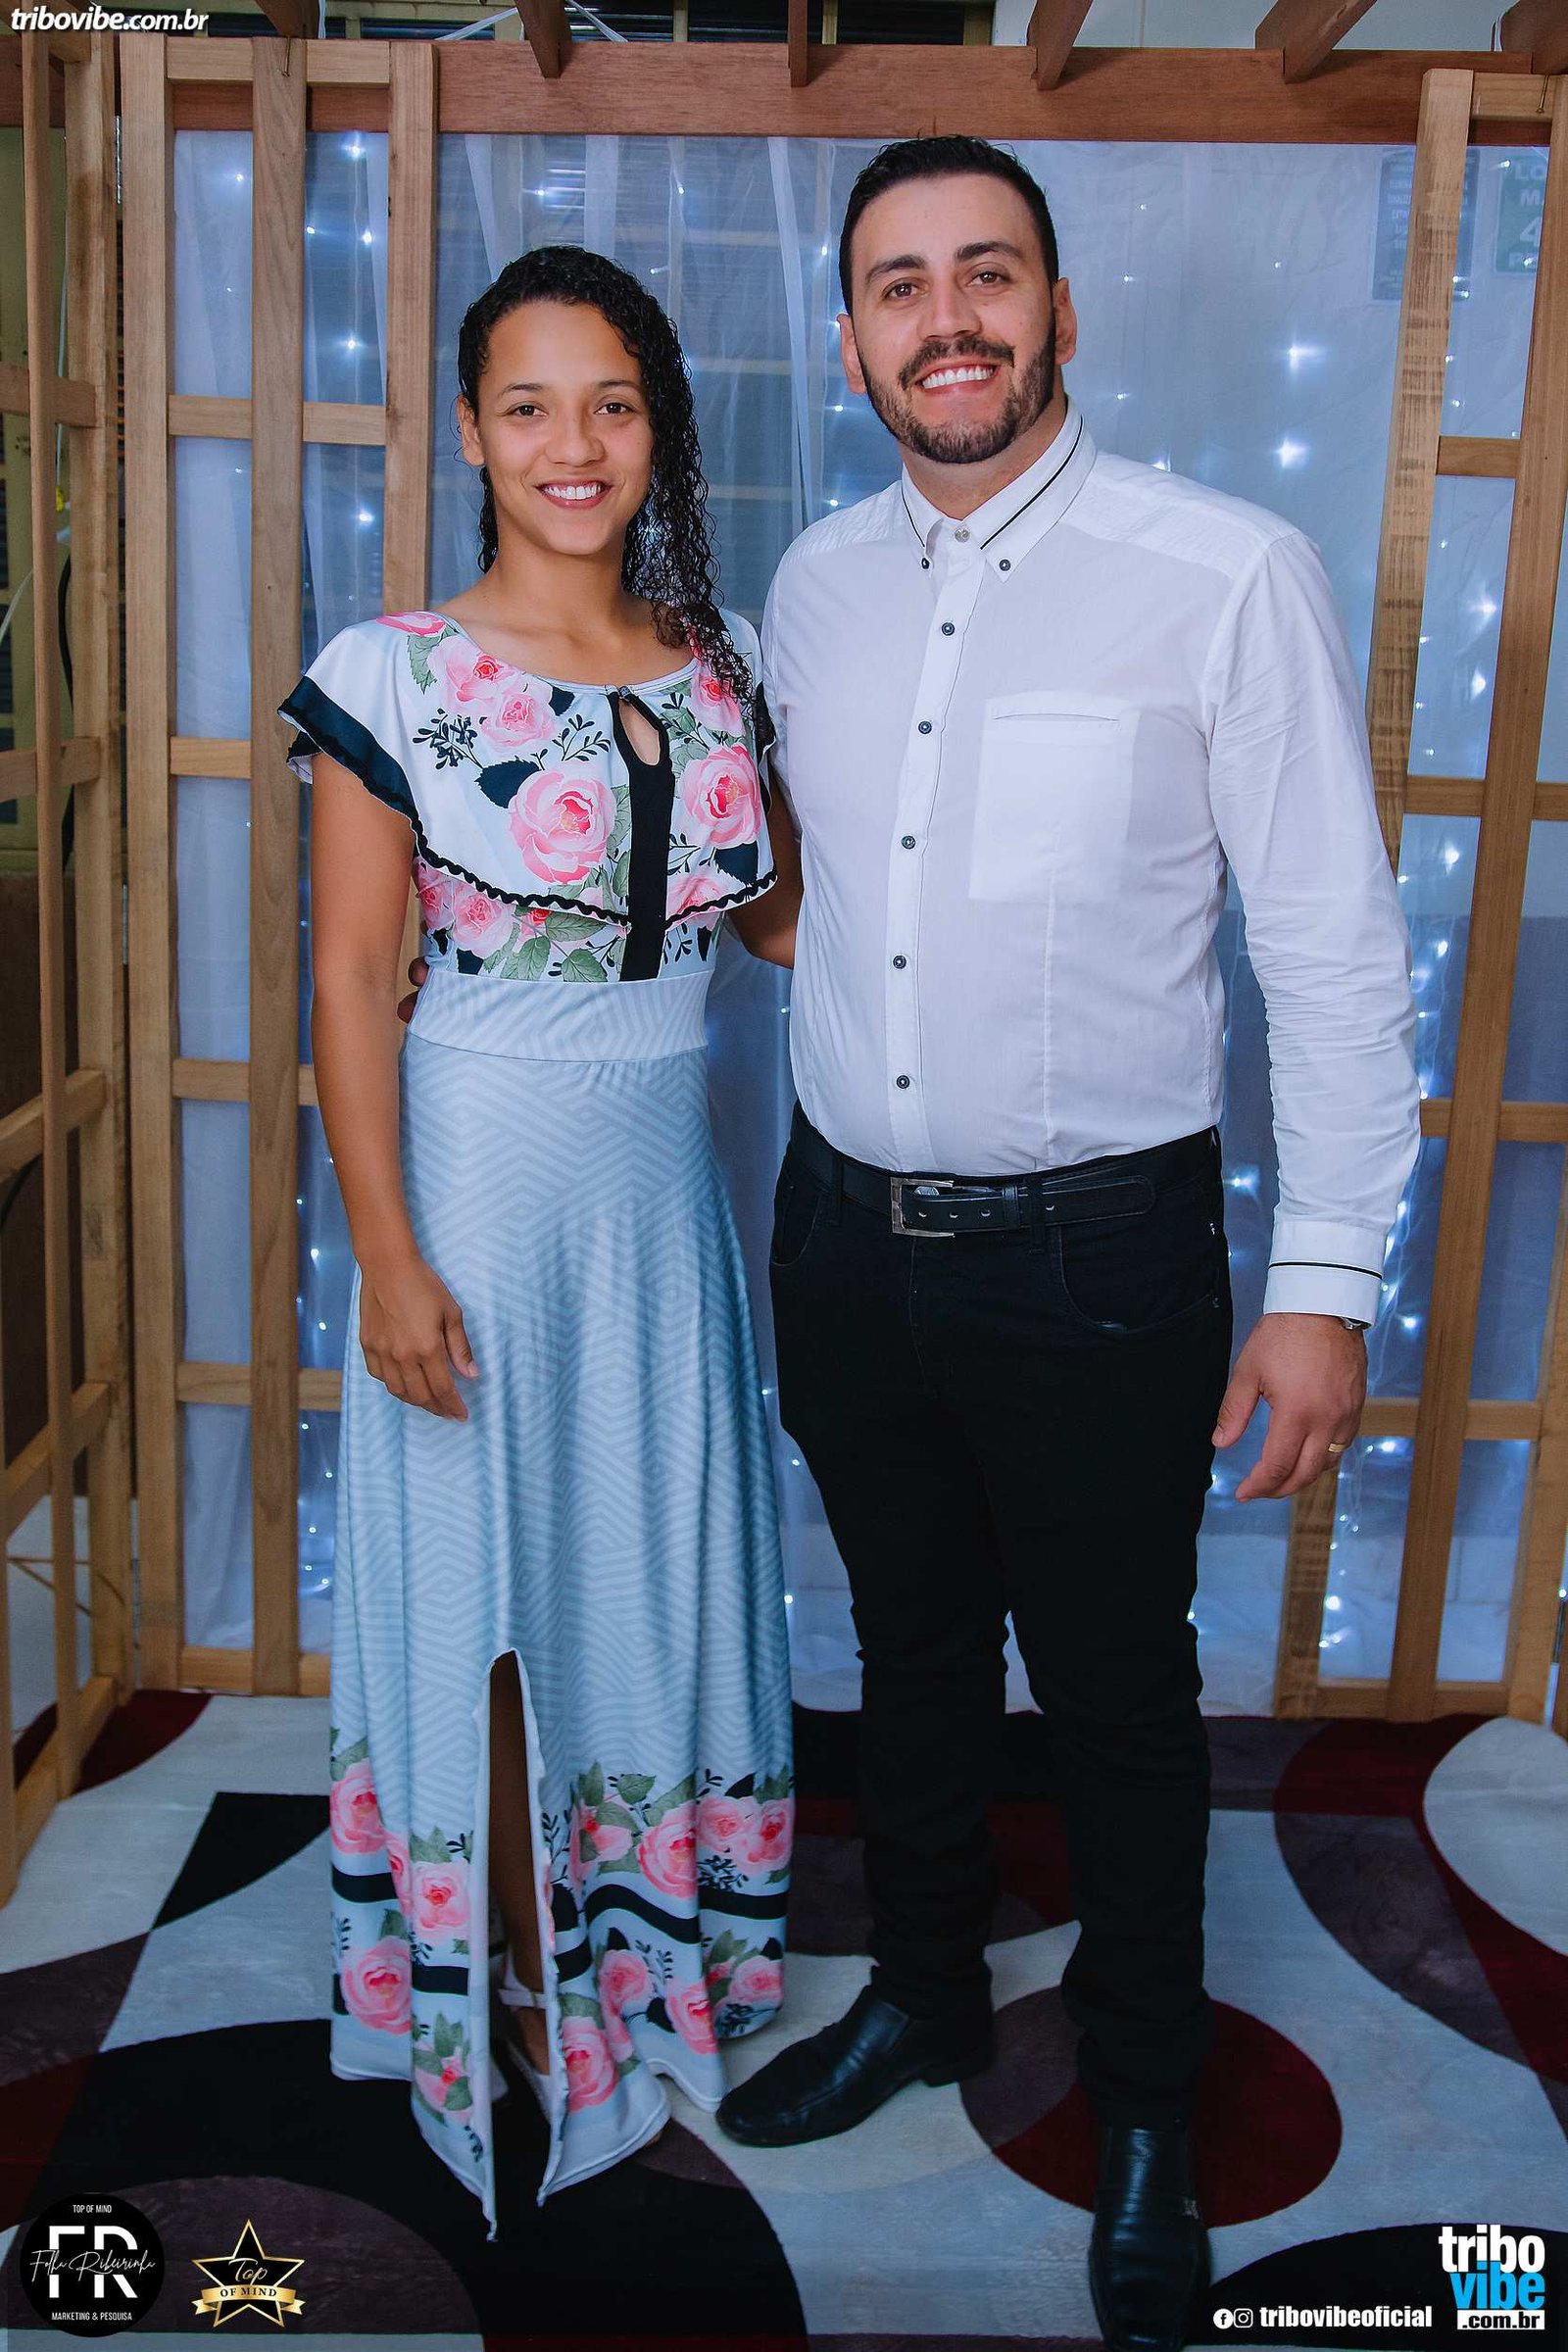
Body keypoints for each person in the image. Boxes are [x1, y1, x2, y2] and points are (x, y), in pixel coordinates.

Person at [710, 136, 1421, 2352]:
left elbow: (1328, 947)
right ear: (851, 340)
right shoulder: (812, 587)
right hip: (842, 1235)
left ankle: (1139, 2105)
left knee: (1114, 1695)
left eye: (987, 274)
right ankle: (925, 1993)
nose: (948, 319)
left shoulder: (1223, 573)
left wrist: (1323, 1287)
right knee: (906, 1649)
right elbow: (822, 891)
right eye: (899, 284)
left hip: (1102, 1259)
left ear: (1056, 311)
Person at [275, 244, 804, 2239]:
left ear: (658, 428)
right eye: (527, 405)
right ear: (473, 432)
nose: (571, 444)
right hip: (478, 1186)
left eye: (611, 403)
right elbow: (351, 980)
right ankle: (514, 1971)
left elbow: (782, 916)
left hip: (665, 1191)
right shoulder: (394, 670)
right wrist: (386, 1255)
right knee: (489, 1587)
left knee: (640, 1572)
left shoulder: (721, 659)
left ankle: (642, 1952)